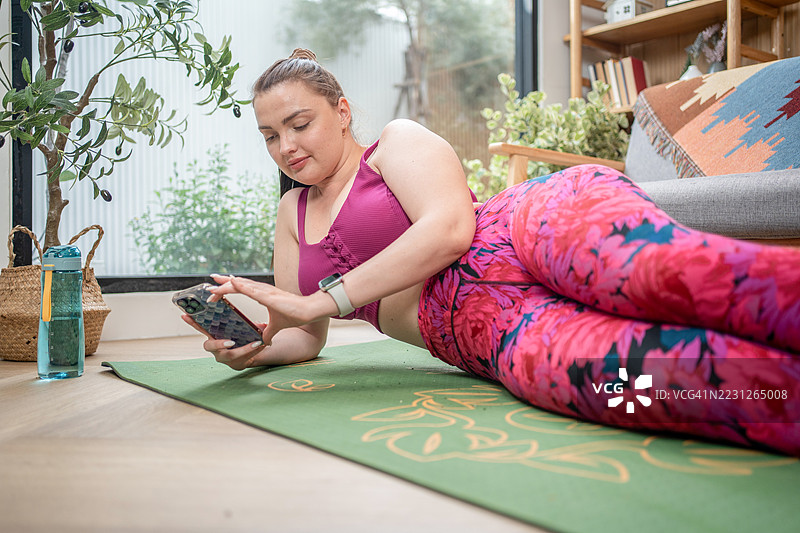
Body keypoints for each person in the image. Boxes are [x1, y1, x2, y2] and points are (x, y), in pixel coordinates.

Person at [183, 49, 800, 456]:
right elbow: (305, 335)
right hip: (483, 332)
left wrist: (322, 297)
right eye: (270, 135)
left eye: (299, 123)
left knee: (671, 274)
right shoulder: (290, 216)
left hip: (526, 229)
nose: (286, 145)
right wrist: (258, 345)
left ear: (341, 113)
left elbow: (451, 229)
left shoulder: (396, 144)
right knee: (635, 380)